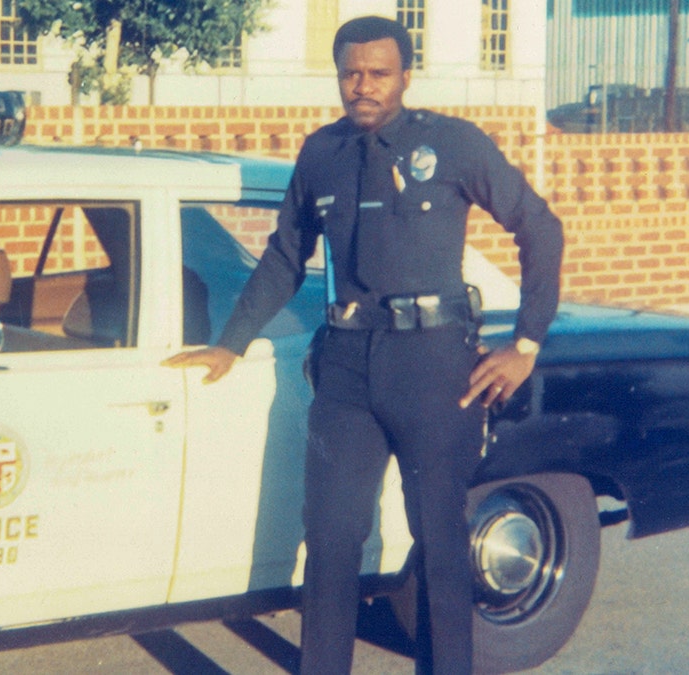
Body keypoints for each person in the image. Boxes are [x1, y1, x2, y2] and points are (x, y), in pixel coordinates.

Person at [163, 15, 564, 675]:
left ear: (405, 75)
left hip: (435, 365)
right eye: (351, 73)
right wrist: (230, 344)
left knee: (439, 545)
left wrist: (525, 341)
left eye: (379, 73)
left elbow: (540, 228)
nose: (363, 86)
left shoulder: (454, 144)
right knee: (328, 542)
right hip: (348, 367)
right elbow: (286, 254)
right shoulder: (322, 152)